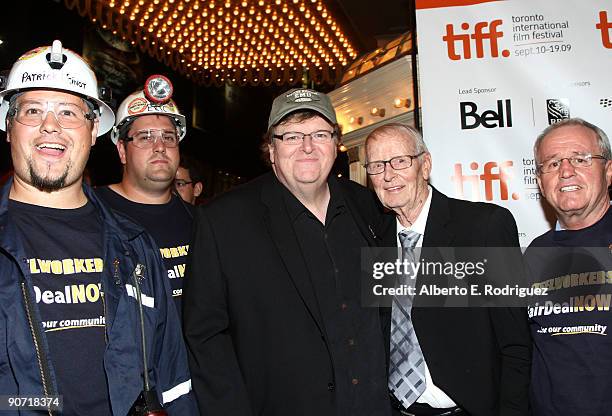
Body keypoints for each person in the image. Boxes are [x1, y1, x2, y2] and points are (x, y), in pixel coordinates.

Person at [0, 41, 197, 415]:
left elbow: (173, 382)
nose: (50, 126)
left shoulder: (136, 247)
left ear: (93, 131)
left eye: (69, 113)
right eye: (33, 111)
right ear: (9, 127)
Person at [183, 88, 390, 416]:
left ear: (336, 144)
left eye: (320, 133)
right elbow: (205, 336)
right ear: (271, 148)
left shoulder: (369, 206)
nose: (308, 147)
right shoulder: (224, 220)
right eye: (292, 136)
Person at [365, 123, 531, 416]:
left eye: (400, 161)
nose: (388, 175)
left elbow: (516, 343)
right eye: (377, 166)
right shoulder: (372, 240)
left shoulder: (483, 227)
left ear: (425, 165)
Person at [524, 118, 612, 416]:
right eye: (552, 163)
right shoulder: (535, 252)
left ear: (609, 171)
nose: (565, 171)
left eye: (580, 158)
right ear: (540, 182)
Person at [95, 75, 193, 317]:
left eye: (168, 137)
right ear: (122, 151)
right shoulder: (92, 212)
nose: (159, 146)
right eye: (145, 137)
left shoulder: (201, 222)